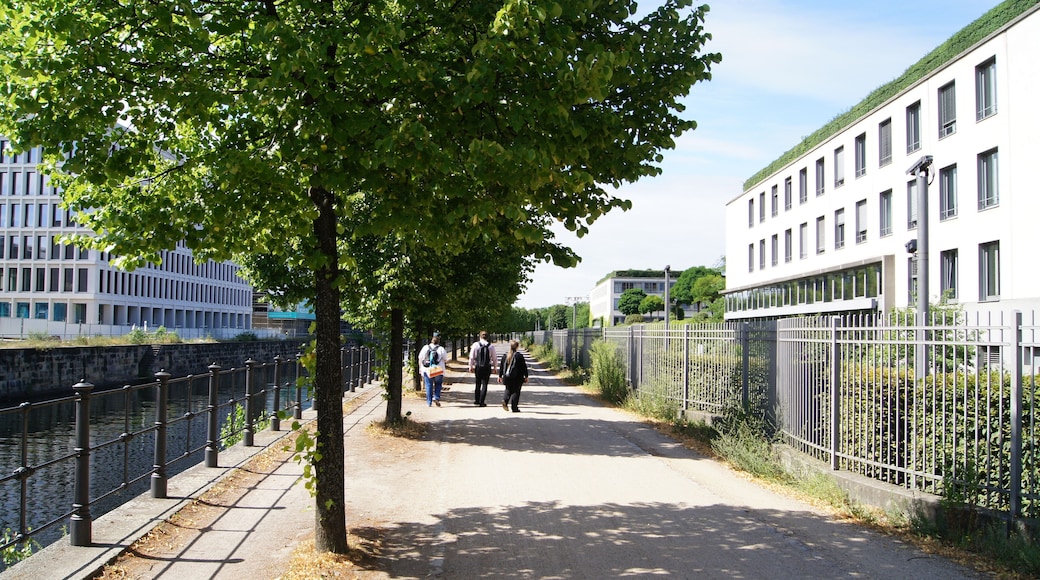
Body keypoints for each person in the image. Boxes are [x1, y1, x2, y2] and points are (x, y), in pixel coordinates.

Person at [468, 330, 498, 407]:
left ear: (479, 336)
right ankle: (482, 402)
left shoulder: (475, 345)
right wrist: (495, 367)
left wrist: (470, 366)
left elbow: (472, 357)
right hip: (487, 367)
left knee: (478, 383)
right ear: (487, 337)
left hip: (478, 366)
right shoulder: (491, 346)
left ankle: (476, 400)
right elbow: (494, 358)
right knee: (485, 384)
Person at [497, 339, 528, 412]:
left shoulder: (505, 356)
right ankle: (514, 407)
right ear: (517, 347)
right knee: (516, 391)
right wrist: (526, 376)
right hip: (517, 377)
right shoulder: (519, 356)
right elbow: (524, 367)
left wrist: (500, 376)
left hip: (507, 377)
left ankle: (505, 400)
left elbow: (501, 366)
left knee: (508, 389)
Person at [418, 334, 447, 407]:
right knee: (438, 384)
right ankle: (436, 397)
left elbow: (420, 358)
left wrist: (420, 368)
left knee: (428, 385)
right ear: (438, 342)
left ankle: (429, 402)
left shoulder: (425, 347)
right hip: (438, 369)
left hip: (427, 369)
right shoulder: (441, 349)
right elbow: (445, 359)